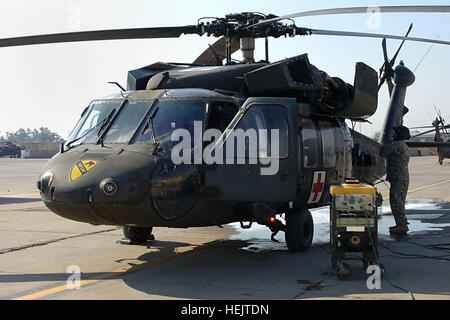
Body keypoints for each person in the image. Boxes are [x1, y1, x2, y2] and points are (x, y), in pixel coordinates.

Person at [380, 125, 411, 235]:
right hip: (402, 177)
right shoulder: (404, 146)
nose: (394, 135)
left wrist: (386, 142)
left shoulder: (396, 145)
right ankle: (401, 223)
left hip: (398, 178)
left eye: (395, 133)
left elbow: (383, 152)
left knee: (396, 201)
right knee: (400, 201)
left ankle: (401, 225)